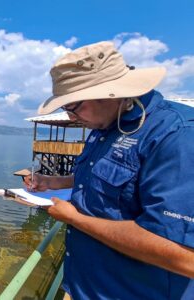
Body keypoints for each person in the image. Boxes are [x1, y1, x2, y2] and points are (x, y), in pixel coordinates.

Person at [24, 41, 194, 299]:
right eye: (65, 108)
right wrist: (55, 182)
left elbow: (184, 257)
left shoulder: (175, 135)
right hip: (84, 286)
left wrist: (74, 219)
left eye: (74, 106)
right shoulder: (103, 127)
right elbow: (113, 180)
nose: (70, 117)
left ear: (111, 93)